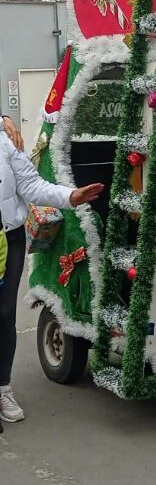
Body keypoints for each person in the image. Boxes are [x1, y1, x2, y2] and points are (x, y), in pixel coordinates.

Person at [0, 118, 103, 424]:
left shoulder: (5, 141)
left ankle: (2, 388)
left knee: (4, 316)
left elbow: (30, 184)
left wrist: (69, 197)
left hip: (9, 239)